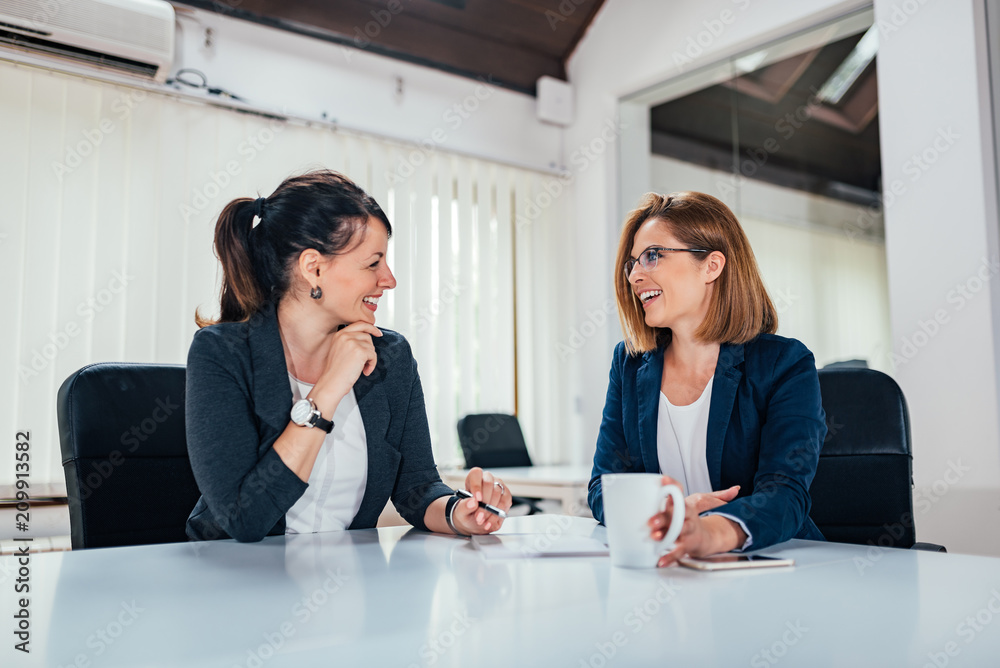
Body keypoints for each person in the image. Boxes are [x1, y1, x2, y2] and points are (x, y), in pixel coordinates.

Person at [185, 169, 511, 542]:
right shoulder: (223, 353)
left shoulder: (390, 356)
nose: (388, 279)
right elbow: (244, 520)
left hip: (347, 581)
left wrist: (460, 513)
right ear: (315, 267)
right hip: (232, 582)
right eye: (373, 263)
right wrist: (329, 388)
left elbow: (417, 489)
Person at [588, 191, 826, 566]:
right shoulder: (629, 364)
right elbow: (604, 485)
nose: (634, 274)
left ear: (711, 266)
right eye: (632, 262)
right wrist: (671, 518)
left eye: (652, 255)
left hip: (770, 572)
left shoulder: (784, 363)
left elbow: (785, 493)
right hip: (669, 570)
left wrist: (709, 531)